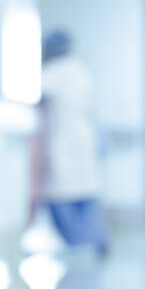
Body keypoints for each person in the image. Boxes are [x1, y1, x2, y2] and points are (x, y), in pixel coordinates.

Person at [31, 29, 109, 257]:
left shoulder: (54, 72)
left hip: (65, 141)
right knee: (86, 194)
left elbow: (33, 96)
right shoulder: (81, 70)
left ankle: (80, 243)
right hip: (86, 139)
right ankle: (93, 238)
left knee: (61, 195)